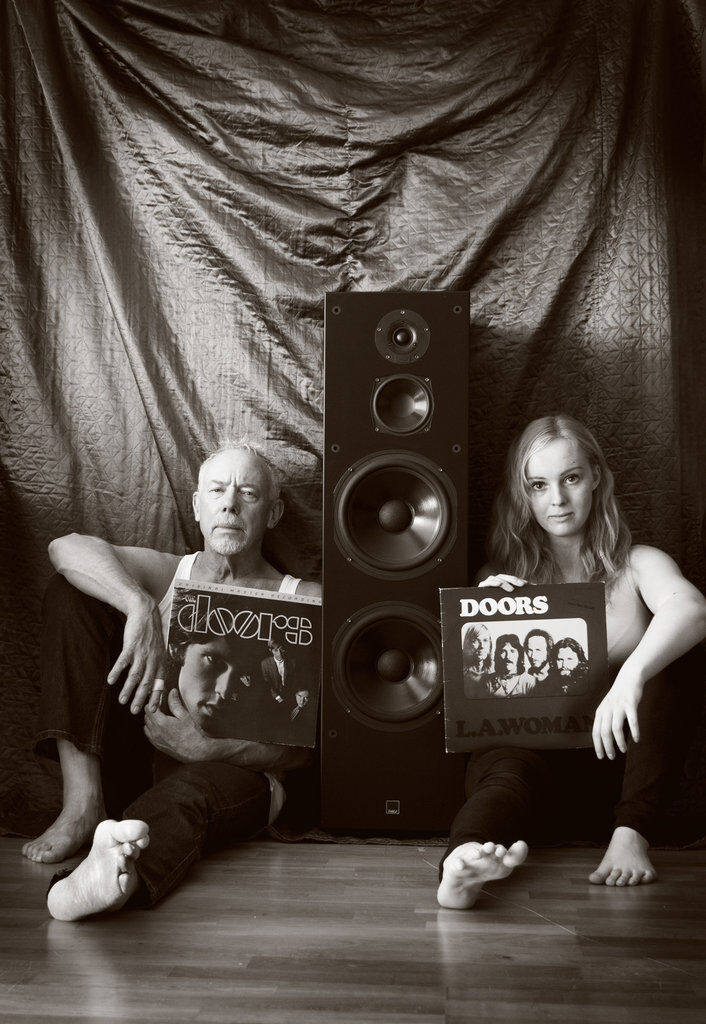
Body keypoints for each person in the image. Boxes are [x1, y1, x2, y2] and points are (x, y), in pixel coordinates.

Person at [21, 441, 320, 921]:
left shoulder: (303, 600)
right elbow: (65, 548)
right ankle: (83, 805)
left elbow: (303, 750)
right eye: (217, 491)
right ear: (198, 506)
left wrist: (208, 747)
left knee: (188, 796)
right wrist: (139, 605)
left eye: (248, 493)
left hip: (232, 777)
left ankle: (112, 877)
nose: (230, 504)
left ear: (274, 512)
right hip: (137, 754)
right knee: (71, 592)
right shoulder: (169, 573)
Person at [437, 414, 706, 909]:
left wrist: (630, 676)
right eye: (539, 485)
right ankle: (463, 861)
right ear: (523, 494)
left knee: (673, 659)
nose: (557, 499)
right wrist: (483, 620)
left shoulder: (639, 563)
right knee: (506, 764)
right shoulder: (499, 576)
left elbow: (691, 608)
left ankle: (631, 839)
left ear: (596, 476)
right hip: (528, 781)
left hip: (614, 783)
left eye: (571, 478)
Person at [461, 623, 494, 698]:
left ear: (490, 644)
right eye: (475, 641)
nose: (482, 646)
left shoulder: (495, 669)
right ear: (467, 644)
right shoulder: (460, 672)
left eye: (485, 640)